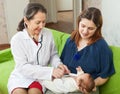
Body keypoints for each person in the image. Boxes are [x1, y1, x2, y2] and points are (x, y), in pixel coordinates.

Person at [7, 3, 69, 94]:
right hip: (21, 77)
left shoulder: (48, 34)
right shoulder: (17, 40)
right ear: (26, 20)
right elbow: (23, 67)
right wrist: (51, 71)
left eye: (44, 22)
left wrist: (58, 65)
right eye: (38, 22)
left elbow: (53, 55)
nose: (41, 26)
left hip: (40, 77)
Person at [59, 7, 115, 94]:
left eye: (90, 28)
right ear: (78, 23)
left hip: (86, 89)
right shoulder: (70, 40)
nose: (85, 31)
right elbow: (61, 63)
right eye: (83, 26)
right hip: (65, 82)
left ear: (97, 28)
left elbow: (105, 76)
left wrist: (88, 85)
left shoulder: (101, 47)